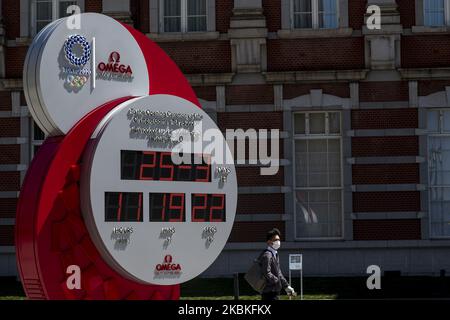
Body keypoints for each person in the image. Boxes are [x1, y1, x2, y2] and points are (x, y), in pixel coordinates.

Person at [260, 228, 296, 301]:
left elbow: (278, 272)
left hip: (274, 292)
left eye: (279, 240)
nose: (278, 242)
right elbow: (266, 272)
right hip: (269, 293)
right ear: (269, 242)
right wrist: (277, 281)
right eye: (275, 240)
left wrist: (286, 286)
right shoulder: (267, 255)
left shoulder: (275, 254)